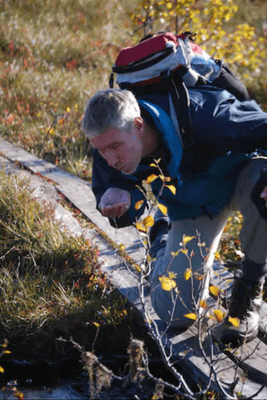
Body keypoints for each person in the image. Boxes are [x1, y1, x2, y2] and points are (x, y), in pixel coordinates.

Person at [82, 86, 267, 346]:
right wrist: (121, 199)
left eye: (114, 146)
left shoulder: (205, 112)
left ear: (138, 125)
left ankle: (248, 295)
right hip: (192, 205)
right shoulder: (107, 142)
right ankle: (161, 236)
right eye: (101, 150)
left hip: (241, 177)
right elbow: (119, 193)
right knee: (175, 314)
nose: (109, 159)